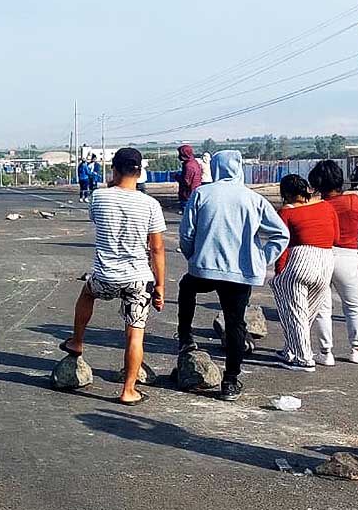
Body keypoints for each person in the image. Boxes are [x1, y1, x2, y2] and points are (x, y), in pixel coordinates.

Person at [178, 150, 289, 401]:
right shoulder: (253, 199)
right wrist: (262, 259)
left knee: (187, 287)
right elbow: (281, 234)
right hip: (240, 273)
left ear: (216, 168)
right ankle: (230, 381)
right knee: (235, 323)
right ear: (239, 168)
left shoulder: (202, 194)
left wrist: (192, 255)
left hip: (205, 268)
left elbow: (187, 233)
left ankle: (185, 336)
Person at [59, 148, 165, 406]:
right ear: (140, 172)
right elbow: (157, 248)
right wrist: (160, 286)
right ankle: (129, 390)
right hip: (138, 278)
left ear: (114, 170)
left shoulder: (99, 197)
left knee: (87, 294)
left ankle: (77, 341)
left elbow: (98, 217)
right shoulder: (150, 204)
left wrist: (110, 186)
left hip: (106, 276)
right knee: (135, 334)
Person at [307, 161, 358, 365]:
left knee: (322, 306)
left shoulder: (317, 206)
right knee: (354, 305)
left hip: (321, 254)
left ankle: (325, 352)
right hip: (347, 255)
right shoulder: (353, 201)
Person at [270, 175, 340, 372]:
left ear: (286, 194)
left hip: (300, 258)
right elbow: (336, 236)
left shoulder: (285, 212)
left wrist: (279, 271)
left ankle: (303, 358)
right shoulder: (326, 206)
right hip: (326, 259)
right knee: (307, 312)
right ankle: (291, 349)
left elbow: (282, 245)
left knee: (294, 311)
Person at [174, 145, 202, 212]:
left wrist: (177, 177)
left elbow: (187, 182)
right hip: (193, 191)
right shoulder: (194, 162)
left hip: (188, 194)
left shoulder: (189, 166)